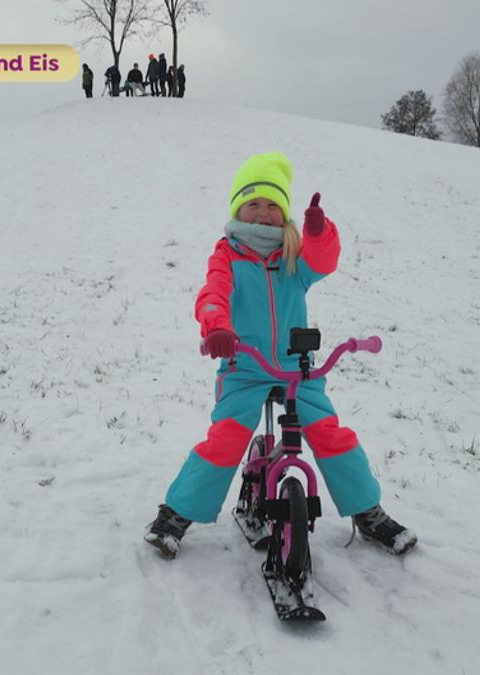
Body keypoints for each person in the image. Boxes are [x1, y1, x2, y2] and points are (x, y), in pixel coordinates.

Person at [144, 152, 419, 560]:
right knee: (227, 437)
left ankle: (368, 512)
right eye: (253, 204)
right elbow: (212, 293)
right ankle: (176, 514)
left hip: (298, 371)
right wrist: (217, 327)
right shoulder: (228, 255)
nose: (263, 214)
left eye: (273, 206)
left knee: (331, 435)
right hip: (245, 367)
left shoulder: (294, 257)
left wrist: (319, 232)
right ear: (238, 208)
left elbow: (324, 261)